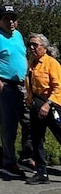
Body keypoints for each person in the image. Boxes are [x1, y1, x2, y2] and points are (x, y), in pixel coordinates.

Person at [0, 4, 32, 176]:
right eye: (7, 18)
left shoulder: (17, 35)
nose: (11, 21)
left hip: (22, 85)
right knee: (9, 125)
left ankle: (26, 157)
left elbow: (22, 57)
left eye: (13, 18)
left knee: (29, 121)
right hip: (5, 85)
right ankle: (9, 162)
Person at [25, 34, 61, 185]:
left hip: (51, 106)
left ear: (44, 47)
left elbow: (59, 87)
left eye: (35, 45)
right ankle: (42, 173)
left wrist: (48, 104)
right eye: (30, 45)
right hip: (36, 105)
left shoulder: (51, 63)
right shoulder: (32, 64)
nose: (32, 48)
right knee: (37, 139)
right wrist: (29, 101)